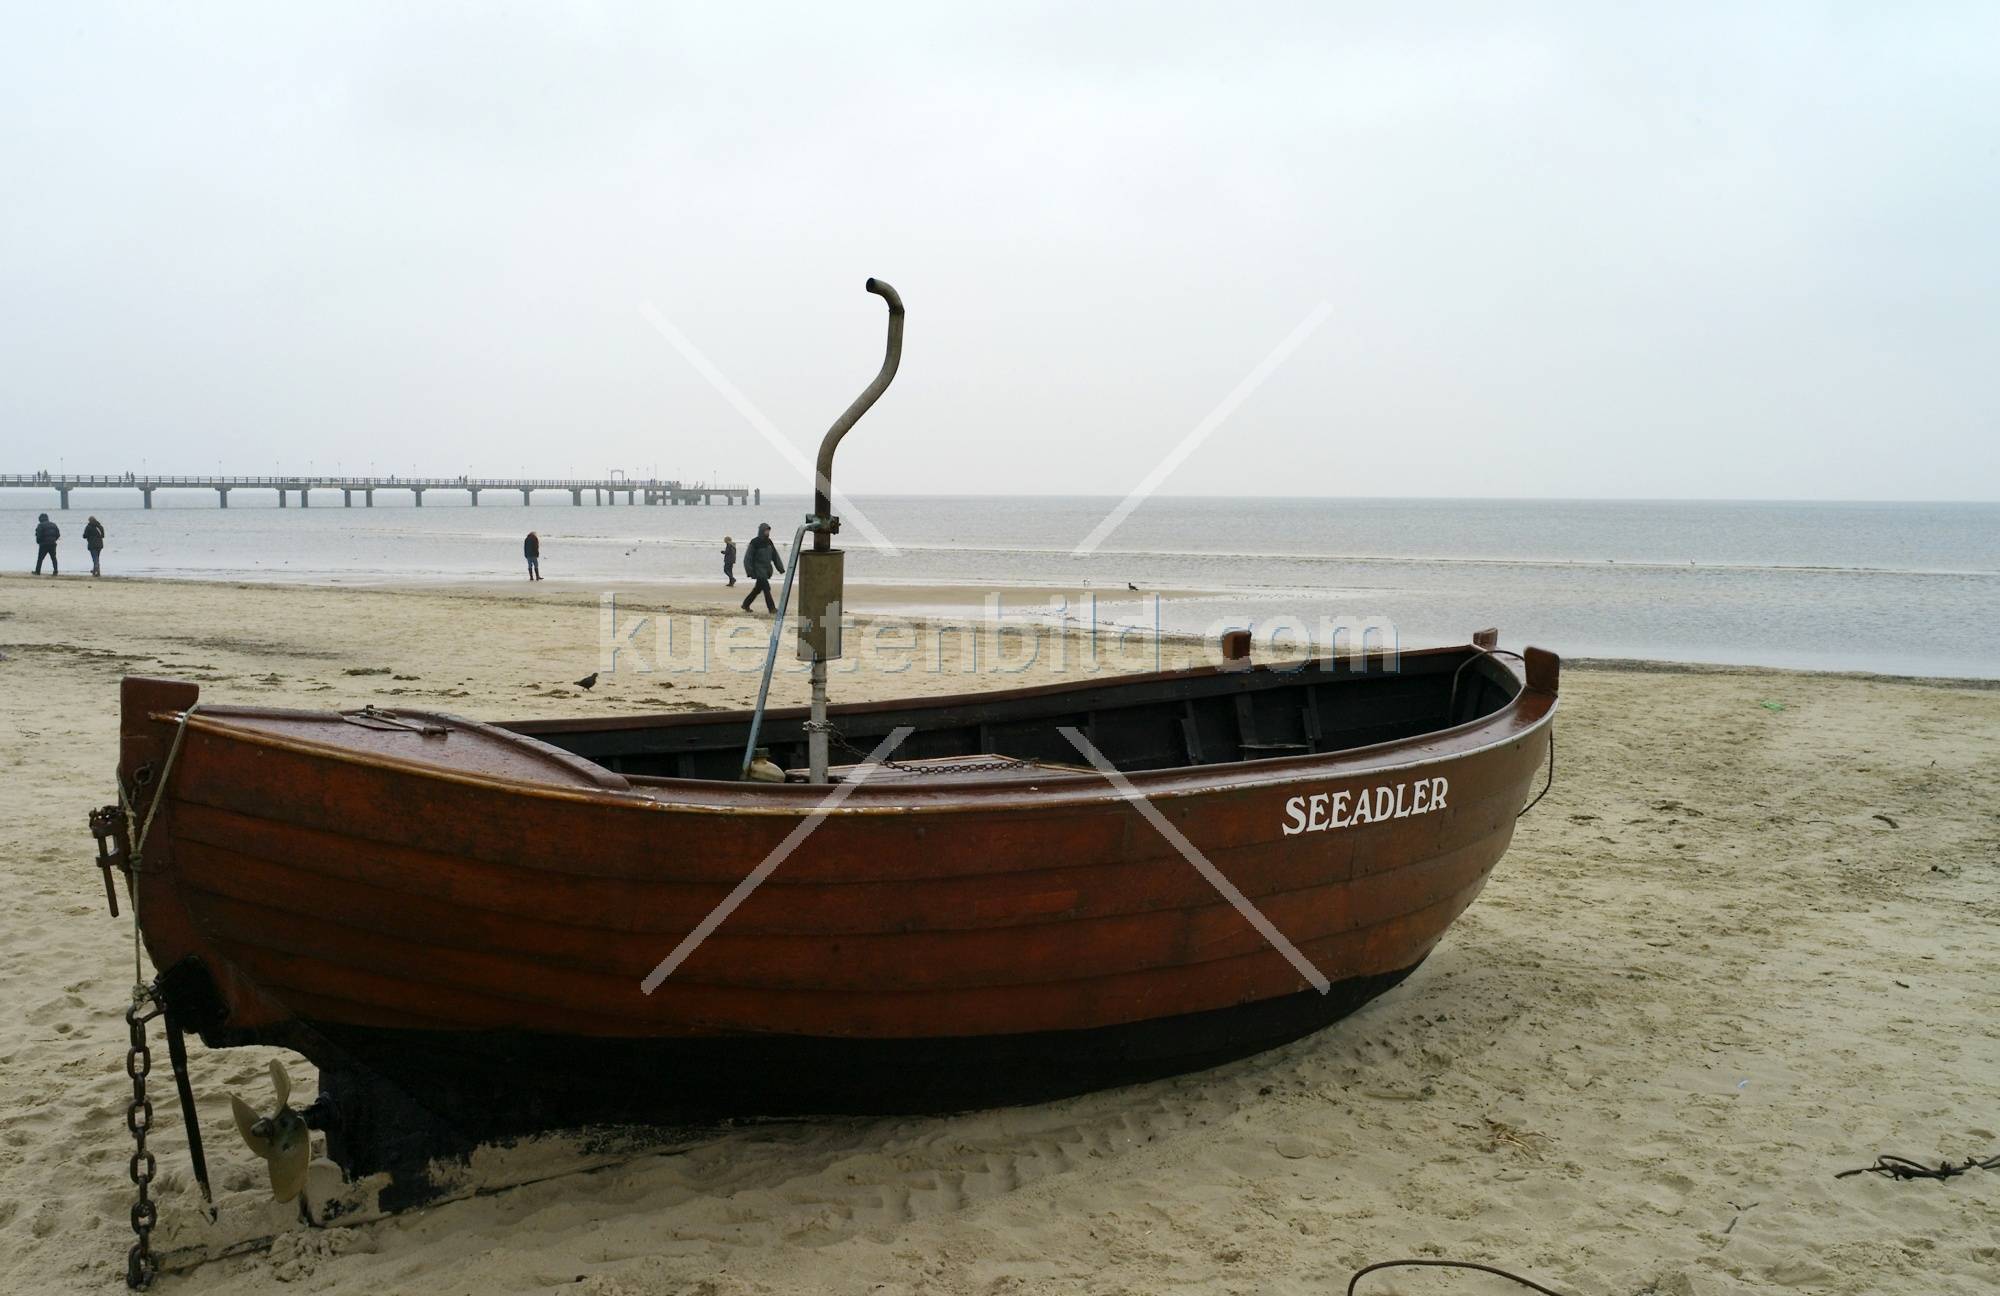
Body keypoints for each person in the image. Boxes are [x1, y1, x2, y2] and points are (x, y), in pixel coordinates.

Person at [740, 522, 782, 613]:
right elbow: (747, 558)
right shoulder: (754, 542)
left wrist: (780, 568)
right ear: (761, 531)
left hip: (766, 570)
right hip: (758, 570)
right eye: (766, 530)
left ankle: (745, 604)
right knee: (767, 588)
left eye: (768, 531)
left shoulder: (769, 542)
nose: (768, 532)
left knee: (757, 589)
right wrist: (749, 571)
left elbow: (775, 555)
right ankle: (772, 609)